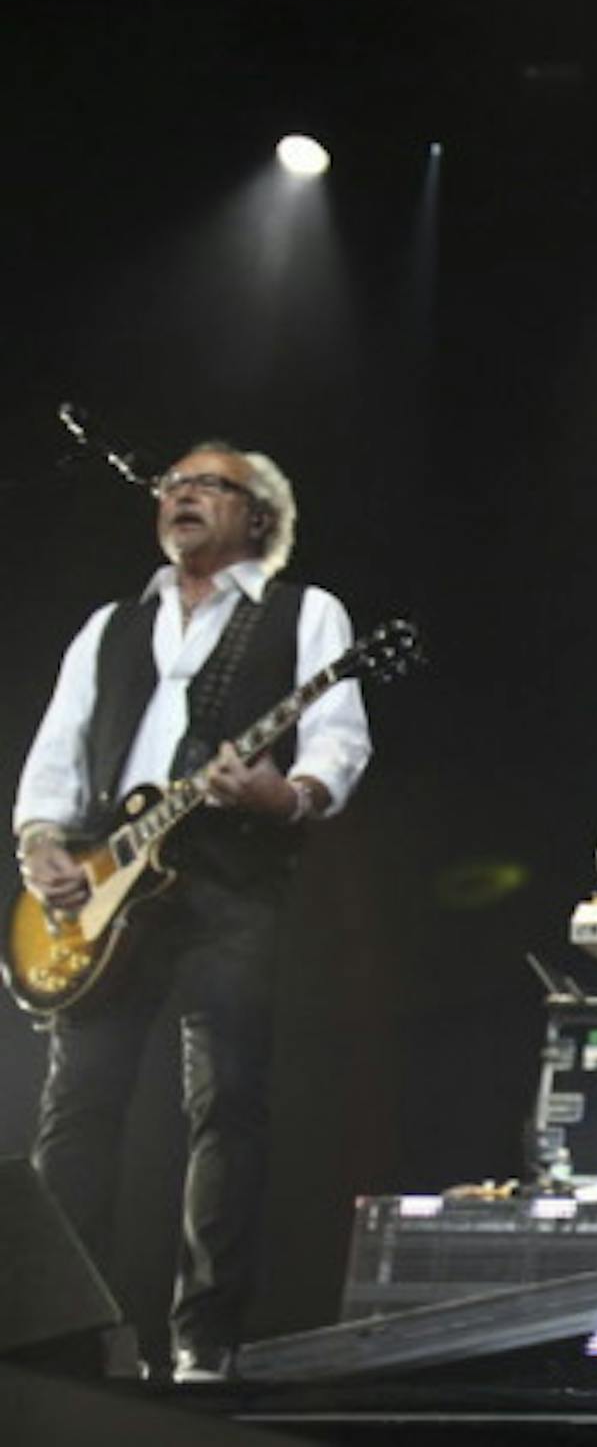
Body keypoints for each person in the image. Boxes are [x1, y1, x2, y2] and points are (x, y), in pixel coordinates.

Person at [14, 442, 372, 1383]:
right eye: (172, 483)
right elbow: (58, 751)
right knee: (76, 1112)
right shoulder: (110, 626)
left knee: (224, 1105)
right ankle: (62, 1336)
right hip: (103, 883)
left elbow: (338, 744)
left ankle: (203, 1343)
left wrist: (279, 794)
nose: (180, 494)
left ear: (259, 516)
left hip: (230, 878)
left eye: (207, 484)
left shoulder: (309, 613)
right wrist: (43, 844)